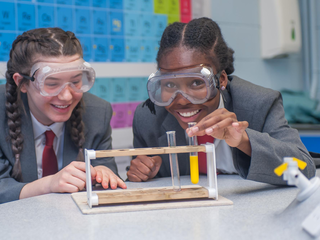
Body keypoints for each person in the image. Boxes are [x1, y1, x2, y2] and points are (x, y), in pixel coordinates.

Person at [127, 17, 316, 185]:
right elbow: (142, 184)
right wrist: (140, 174)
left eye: (195, 82)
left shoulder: (259, 103)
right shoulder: (148, 118)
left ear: (221, 80)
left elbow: (304, 168)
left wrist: (244, 140)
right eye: (169, 85)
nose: (182, 100)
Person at [0, 27, 126, 204]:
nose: (67, 96)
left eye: (75, 81)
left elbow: (105, 175)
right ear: (21, 82)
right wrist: (49, 184)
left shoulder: (98, 113)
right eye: (51, 84)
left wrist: (103, 176)